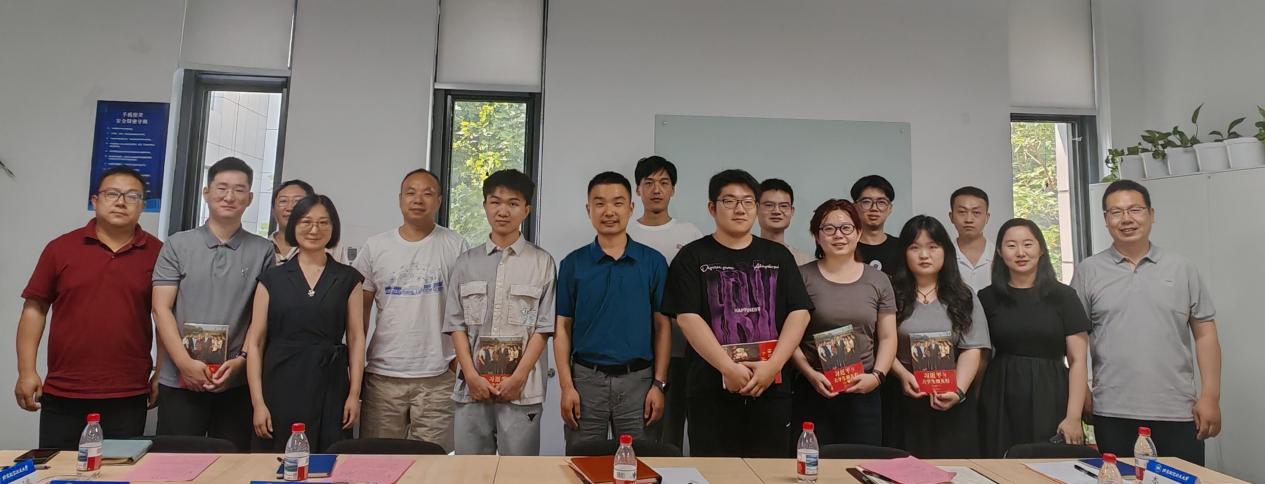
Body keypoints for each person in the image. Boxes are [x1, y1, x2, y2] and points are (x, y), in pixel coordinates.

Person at [660, 169, 813, 458]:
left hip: (772, 387)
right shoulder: (692, 256)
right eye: (729, 201)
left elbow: (800, 313)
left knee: (770, 471)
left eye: (747, 201)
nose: (739, 209)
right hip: (710, 388)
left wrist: (773, 367)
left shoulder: (778, 256)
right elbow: (688, 318)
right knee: (715, 472)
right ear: (712, 207)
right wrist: (728, 368)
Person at [1070, 180, 1221, 465]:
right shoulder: (1088, 272)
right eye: (1116, 212)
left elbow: (1205, 335)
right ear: (1106, 219)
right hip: (1112, 410)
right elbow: (1074, 340)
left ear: (1151, 214)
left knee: (1181, 481)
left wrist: (1210, 396)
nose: (1126, 219)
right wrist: (1082, 394)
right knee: (1120, 479)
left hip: (1178, 409)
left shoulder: (1182, 268)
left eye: (1135, 210)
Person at [15, 167, 162, 450]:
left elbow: (165, 317)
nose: (121, 202)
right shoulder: (60, 248)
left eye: (132, 196)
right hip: (64, 390)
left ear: (143, 205)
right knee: (57, 468)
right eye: (112, 194)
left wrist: (161, 372)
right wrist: (26, 371)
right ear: (95, 200)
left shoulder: (158, 253)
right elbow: (34, 310)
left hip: (127, 392)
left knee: (118, 469)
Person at [152, 157, 275, 451]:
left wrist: (242, 362)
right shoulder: (178, 244)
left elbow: (261, 318)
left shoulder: (263, 251)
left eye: (239, 190)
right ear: (206, 193)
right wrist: (184, 363)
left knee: (231, 462)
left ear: (250, 198)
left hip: (235, 379)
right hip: (179, 378)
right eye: (222, 188)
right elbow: (161, 309)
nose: (229, 196)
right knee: (175, 462)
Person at [352, 168, 468, 451]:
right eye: (411, 193)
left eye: (427, 193)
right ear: (400, 199)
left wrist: (459, 360)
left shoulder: (456, 245)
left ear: (439, 201)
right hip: (383, 376)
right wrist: (355, 364)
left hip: (438, 377)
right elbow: (359, 313)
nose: (418, 199)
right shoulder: (376, 246)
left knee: (433, 462)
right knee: (380, 461)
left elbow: (468, 310)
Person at [443, 169, 556, 456]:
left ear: (526, 210)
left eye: (513, 203)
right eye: (495, 202)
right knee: (470, 471)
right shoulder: (465, 263)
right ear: (485, 206)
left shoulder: (542, 263)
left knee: (518, 472)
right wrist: (471, 376)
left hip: (522, 390)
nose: (503, 211)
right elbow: (456, 325)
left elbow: (544, 328)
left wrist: (518, 378)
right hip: (472, 387)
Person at [555, 172, 670, 448]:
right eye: (600, 203)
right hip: (585, 381)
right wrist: (567, 387)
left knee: (639, 462)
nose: (609, 211)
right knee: (582, 460)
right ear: (589, 210)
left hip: (638, 382)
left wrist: (659, 385)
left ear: (631, 207)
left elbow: (662, 327)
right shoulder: (573, 264)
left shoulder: (653, 262)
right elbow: (562, 328)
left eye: (618, 203)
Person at [245, 195, 366, 452]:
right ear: (294, 226)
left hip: (331, 384)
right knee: (277, 459)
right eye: (306, 222)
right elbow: (255, 343)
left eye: (323, 222)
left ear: (333, 228)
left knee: (329, 459)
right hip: (279, 383)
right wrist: (258, 402)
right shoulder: (271, 279)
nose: (314, 229)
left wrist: (354, 395)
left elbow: (356, 339)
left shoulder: (349, 279)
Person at [978, 218, 1090, 457]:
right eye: (1011, 245)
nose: (1020, 252)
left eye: (1028, 244)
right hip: (1000, 394)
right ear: (999, 252)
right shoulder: (987, 297)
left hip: (1051, 392)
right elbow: (980, 355)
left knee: (1048, 463)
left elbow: (1078, 361)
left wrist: (1073, 416)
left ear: (1041, 249)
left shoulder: (1064, 297)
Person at [790, 199, 897, 446]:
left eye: (846, 228)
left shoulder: (879, 280)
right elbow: (788, 337)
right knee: (812, 460)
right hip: (814, 387)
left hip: (864, 388)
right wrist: (810, 374)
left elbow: (888, 336)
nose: (838, 235)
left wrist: (877, 377)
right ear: (817, 236)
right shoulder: (801, 277)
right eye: (829, 229)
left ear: (858, 232)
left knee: (862, 462)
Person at [885, 215, 991, 458]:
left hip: (950, 399)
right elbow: (882, 343)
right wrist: (903, 376)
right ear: (904, 253)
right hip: (903, 397)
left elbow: (971, 349)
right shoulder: (890, 293)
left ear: (946, 251)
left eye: (933, 247)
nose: (924, 255)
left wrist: (958, 391)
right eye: (915, 247)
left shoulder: (964, 295)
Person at [626, 155, 703, 448]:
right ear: (638, 189)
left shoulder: (690, 234)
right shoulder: (626, 231)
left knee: (671, 433)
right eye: (648, 183)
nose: (656, 190)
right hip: (635, 351)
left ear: (673, 189)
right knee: (638, 433)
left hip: (681, 349)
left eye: (664, 183)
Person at [850, 175, 902, 276]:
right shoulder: (846, 247)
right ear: (854, 207)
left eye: (881, 202)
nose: (874, 208)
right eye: (866, 202)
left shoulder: (902, 247)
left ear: (890, 208)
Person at [757, 178, 814, 265]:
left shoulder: (806, 262)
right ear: (756, 208)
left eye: (783, 206)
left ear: (792, 211)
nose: (776, 211)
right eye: (769, 205)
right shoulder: (742, 255)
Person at [948, 186, 993, 291]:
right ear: (951, 216)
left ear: (987, 217)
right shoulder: (942, 257)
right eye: (962, 212)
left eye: (976, 212)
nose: (969, 219)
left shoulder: (1001, 256)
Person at [268, 179, 314, 265]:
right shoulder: (259, 248)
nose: (290, 208)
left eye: (298, 201)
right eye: (283, 201)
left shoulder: (328, 250)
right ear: (273, 211)